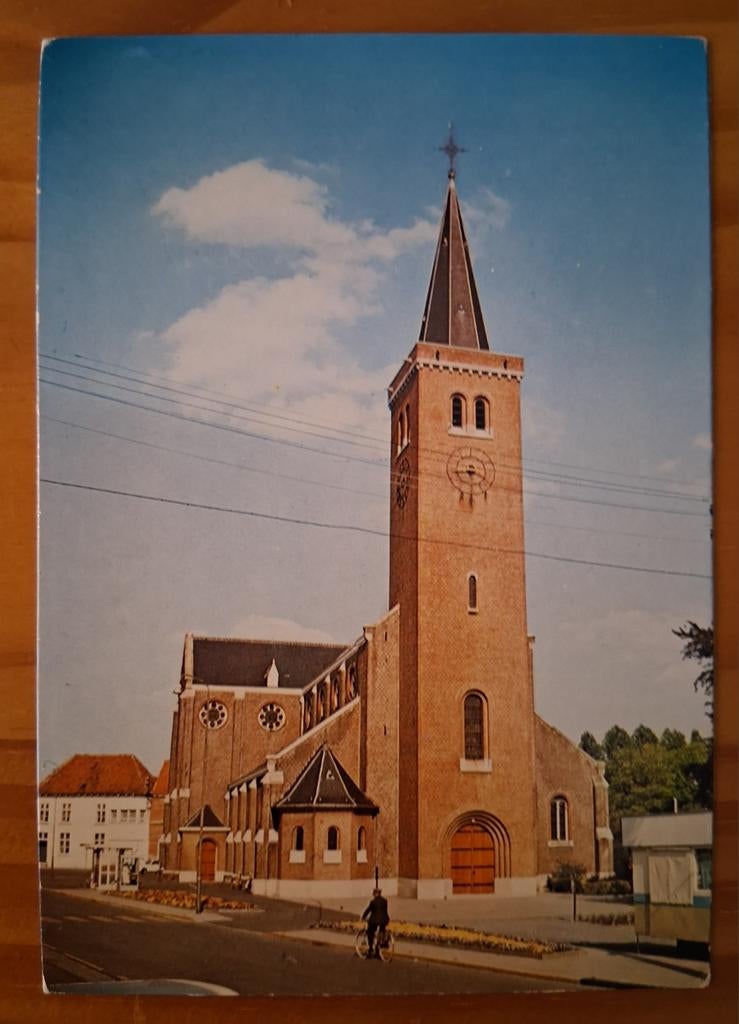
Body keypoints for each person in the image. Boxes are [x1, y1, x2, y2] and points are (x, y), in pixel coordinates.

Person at [361, 888, 390, 958]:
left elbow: (368, 910)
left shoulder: (373, 902)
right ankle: (378, 946)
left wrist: (363, 917)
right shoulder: (385, 901)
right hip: (384, 920)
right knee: (381, 931)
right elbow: (385, 911)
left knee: (370, 932)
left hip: (375, 921)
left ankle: (370, 948)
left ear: (374, 894)